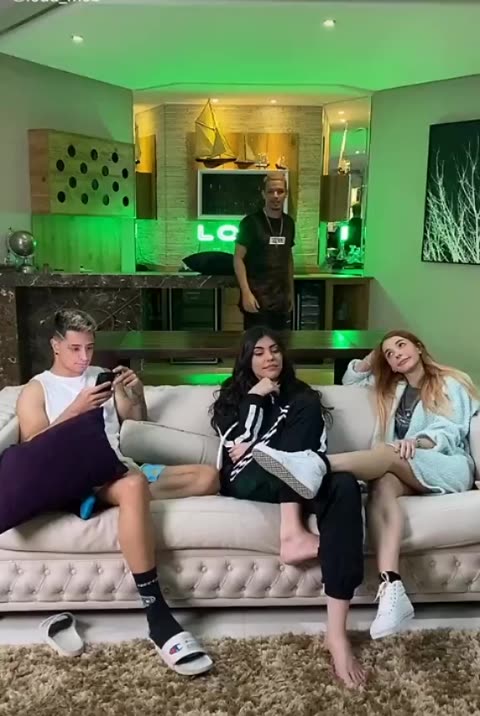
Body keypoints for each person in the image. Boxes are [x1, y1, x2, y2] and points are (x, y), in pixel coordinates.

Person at [16, 308, 218, 675]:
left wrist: (135, 395)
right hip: (76, 474)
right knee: (134, 484)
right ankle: (157, 614)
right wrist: (75, 410)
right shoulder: (37, 388)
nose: (84, 357)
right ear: (55, 345)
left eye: (90, 348)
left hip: (120, 468)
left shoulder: (100, 377)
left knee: (207, 478)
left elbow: (135, 423)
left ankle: (122, 503)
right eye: (75, 348)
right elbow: (33, 449)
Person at [252, 330, 479, 641]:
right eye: (390, 354)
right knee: (381, 484)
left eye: (402, 345)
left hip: (444, 463)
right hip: (404, 467)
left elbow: (452, 428)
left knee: (386, 454)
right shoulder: (392, 388)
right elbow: (351, 380)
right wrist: (374, 357)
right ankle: (392, 589)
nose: (397, 354)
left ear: (419, 346)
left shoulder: (450, 381)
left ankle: (315, 464)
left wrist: (420, 441)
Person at [210, 326, 366, 688]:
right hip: (248, 479)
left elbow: (311, 454)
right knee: (282, 461)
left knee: (343, 485)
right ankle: (291, 531)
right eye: (259, 352)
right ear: (246, 359)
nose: (270, 357)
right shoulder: (231, 398)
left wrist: (261, 446)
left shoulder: (303, 397)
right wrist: (254, 399)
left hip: (298, 474)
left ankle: (336, 634)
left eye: (275, 350)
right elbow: (235, 447)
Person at [234, 172, 295, 331]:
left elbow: (288, 258)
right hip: (257, 298)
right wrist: (246, 293)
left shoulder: (289, 223)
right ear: (263, 194)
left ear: (286, 194)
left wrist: (291, 292)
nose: (275, 196)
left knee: (280, 342)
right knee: (257, 343)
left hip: (281, 300)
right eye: (270, 191)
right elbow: (238, 258)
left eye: (280, 191)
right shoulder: (250, 222)